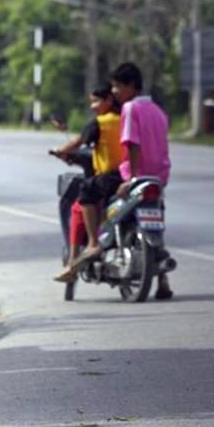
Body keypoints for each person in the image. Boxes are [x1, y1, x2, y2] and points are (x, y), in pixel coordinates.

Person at [74, 62, 173, 299]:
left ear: (130, 87)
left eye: (117, 87)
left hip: (135, 176)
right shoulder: (159, 112)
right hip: (159, 177)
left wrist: (133, 177)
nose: (114, 92)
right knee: (155, 225)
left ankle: (94, 244)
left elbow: (131, 142)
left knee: (88, 190)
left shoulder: (130, 108)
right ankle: (163, 281)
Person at [53, 82, 124, 282]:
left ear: (109, 100)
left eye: (96, 101)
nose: (93, 105)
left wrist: (61, 151)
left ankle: (82, 254)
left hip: (109, 177)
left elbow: (78, 142)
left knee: (80, 202)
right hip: (131, 176)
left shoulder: (100, 123)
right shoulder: (127, 119)